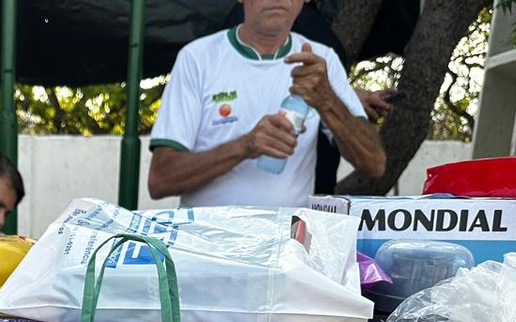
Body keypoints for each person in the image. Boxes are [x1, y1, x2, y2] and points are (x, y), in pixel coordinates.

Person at [147, 0, 386, 209]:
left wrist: (327, 101)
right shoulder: (198, 58)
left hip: (288, 245)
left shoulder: (321, 61)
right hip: (208, 244)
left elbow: (374, 164)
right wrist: (244, 146)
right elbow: (160, 179)